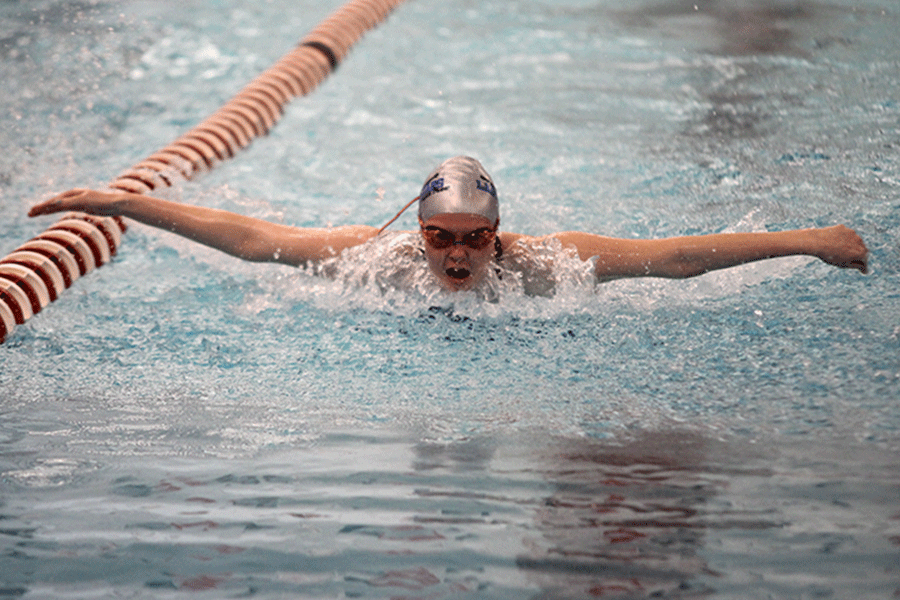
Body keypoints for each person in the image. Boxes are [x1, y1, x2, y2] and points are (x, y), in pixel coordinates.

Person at [29, 156, 868, 296]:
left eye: (476, 236)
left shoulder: (550, 265)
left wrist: (812, 239)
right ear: (418, 233)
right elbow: (249, 238)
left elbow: (674, 259)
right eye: (444, 237)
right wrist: (118, 205)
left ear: (501, 234)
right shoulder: (377, 260)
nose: (460, 252)